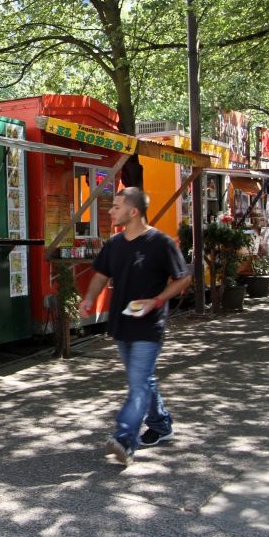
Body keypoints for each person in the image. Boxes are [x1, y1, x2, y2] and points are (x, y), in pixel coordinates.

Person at [79, 187, 191, 466]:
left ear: (133, 211)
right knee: (144, 380)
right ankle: (161, 424)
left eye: (116, 206)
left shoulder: (161, 243)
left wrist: (157, 300)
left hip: (149, 325)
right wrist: (90, 297)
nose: (110, 211)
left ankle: (125, 438)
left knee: (138, 384)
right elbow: (101, 274)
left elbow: (182, 279)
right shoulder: (114, 244)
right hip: (121, 323)